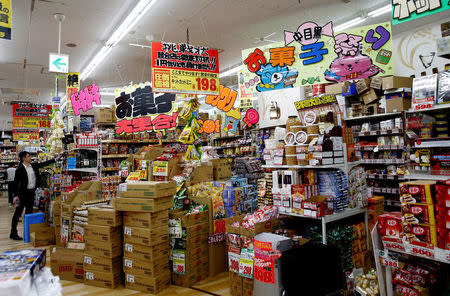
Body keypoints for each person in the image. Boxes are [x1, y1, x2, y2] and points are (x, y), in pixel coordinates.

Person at [10, 151, 60, 240]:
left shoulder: (33, 166)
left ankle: (28, 232)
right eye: (28, 156)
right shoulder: (19, 169)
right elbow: (16, 183)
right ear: (23, 158)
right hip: (22, 194)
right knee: (18, 213)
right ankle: (13, 233)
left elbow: (43, 164)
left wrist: (55, 159)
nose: (30, 157)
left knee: (29, 212)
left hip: (31, 193)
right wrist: (15, 195)